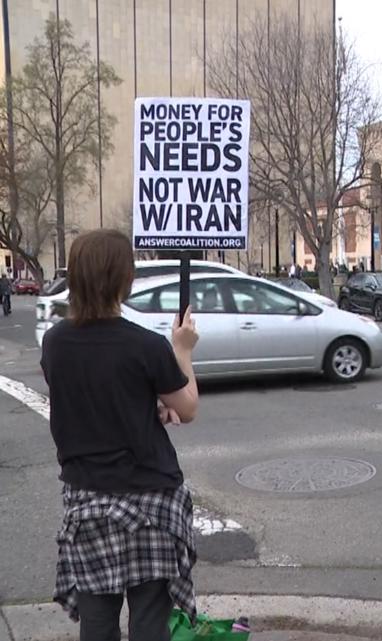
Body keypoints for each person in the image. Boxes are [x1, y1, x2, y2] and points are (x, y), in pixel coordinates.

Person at [41, 230, 201, 641]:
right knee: (150, 619)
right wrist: (182, 350)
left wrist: (146, 404)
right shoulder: (145, 344)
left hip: (88, 500)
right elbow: (186, 408)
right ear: (125, 280)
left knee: (97, 620)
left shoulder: (55, 342)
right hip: (151, 500)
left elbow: (93, 398)